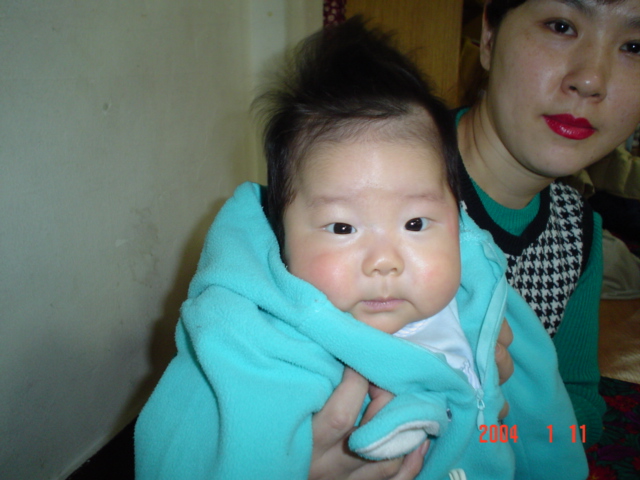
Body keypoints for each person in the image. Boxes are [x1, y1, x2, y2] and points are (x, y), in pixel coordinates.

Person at [135, 17, 588, 480]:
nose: (384, 261)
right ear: (281, 234)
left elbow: (544, 416)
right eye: (342, 227)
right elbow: (181, 448)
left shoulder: (483, 298)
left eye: (415, 223)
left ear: (457, 219)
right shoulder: (257, 341)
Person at [310, 0, 640, 478]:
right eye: (561, 25)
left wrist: (497, 434)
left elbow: (578, 404)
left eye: (635, 46)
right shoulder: (364, 171)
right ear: (488, 38)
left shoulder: (577, 229)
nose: (590, 79)